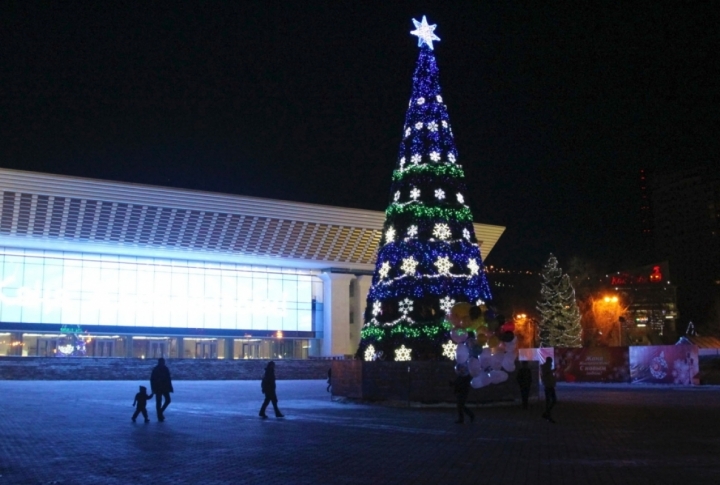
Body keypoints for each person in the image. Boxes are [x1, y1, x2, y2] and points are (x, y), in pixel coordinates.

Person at [150, 357, 173, 422]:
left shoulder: (164, 369)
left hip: (163, 387)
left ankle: (160, 412)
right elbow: (152, 379)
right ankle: (159, 414)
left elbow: (168, 379)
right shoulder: (157, 369)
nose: (163, 363)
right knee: (160, 402)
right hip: (159, 387)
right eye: (162, 362)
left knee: (167, 400)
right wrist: (153, 388)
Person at [541, 357, 557, 423]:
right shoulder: (546, 368)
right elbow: (546, 374)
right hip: (549, 386)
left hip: (548, 385)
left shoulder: (546, 368)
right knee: (552, 400)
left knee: (549, 401)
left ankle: (547, 413)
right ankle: (547, 414)